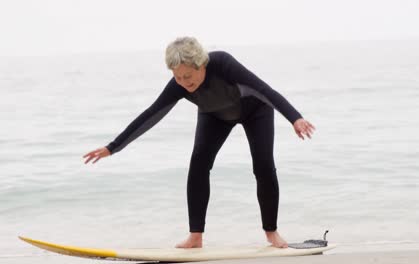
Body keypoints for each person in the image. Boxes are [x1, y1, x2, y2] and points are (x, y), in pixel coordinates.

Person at [83, 37, 315, 249]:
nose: (183, 82)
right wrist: (113, 147)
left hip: (256, 111)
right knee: (198, 165)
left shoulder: (223, 63)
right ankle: (195, 236)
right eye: (177, 77)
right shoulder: (179, 84)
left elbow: (265, 90)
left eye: (188, 76)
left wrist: (295, 117)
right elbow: (151, 115)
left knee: (263, 165)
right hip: (214, 115)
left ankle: (271, 232)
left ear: (201, 65)